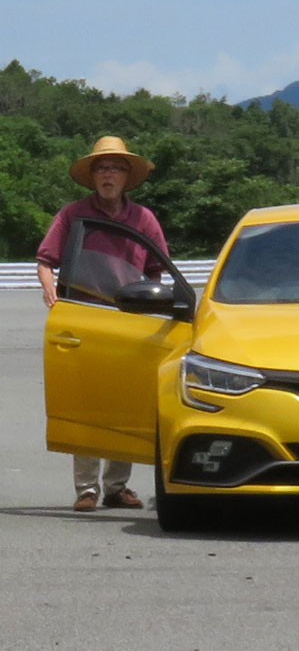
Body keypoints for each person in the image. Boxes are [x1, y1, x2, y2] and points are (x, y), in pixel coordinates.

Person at [36, 136, 169, 512]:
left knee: (123, 403)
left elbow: (157, 269)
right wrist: (51, 292)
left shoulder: (143, 219)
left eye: (115, 168)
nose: (108, 174)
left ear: (127, 176)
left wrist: (151, 304)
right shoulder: (73, 214)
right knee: (84, 403)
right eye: (102, 168)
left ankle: (116, 487)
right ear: (93, 175)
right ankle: (86, 489)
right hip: (82, 317)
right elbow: (45, 260)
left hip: (127, 321)